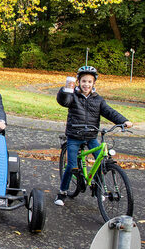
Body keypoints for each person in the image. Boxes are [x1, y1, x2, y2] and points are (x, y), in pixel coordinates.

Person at [55, 66, 133, 206]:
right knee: (72, 165)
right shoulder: (72, 96)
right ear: (78, 81)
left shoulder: (98, 100)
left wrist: (123, 121)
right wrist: (65, 90)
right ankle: (62, 192)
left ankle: (97, 189)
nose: (86, 84)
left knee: (101, 161)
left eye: (90, 82)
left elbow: (109, 111)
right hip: (74, 135)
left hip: (91, 136)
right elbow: (63, 101)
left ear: (94, 83)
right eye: (84, 81)